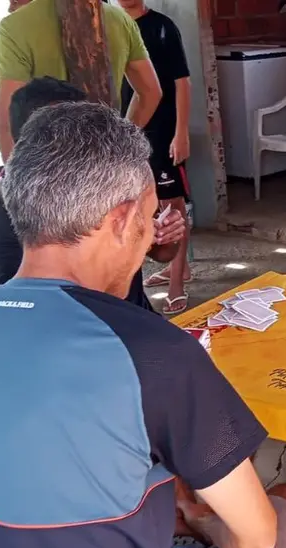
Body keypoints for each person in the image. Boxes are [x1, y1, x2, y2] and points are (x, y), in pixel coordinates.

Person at [0, 102, 286, 548]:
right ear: (124, 219)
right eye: (151, 218)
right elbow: (255, 535)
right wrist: (204, 526)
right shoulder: (154, 354)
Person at [0, 76, 184, 313]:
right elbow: (42, 316)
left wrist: (155, 234)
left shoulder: (102, 183)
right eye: (68, 139)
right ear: (28, 144)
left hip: (137, 323)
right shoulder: (2, 226)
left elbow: (162, 252)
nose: (86, 148)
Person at [0, 0, 162, 161]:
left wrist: (16, 178)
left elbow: (5, 118)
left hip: (49, 165)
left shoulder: (16, 25)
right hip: (107, 163)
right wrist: (120, 139)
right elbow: (151, 92)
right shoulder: (119, 19)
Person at [118, 0, 193, 315]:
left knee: (171, 207)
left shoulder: (162, 27)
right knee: (139, 207)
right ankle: (180, 268)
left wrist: (182, 132)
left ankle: (177, 284)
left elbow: (181, 83)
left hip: (162, 133)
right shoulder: (107, 27)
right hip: (126, 133)